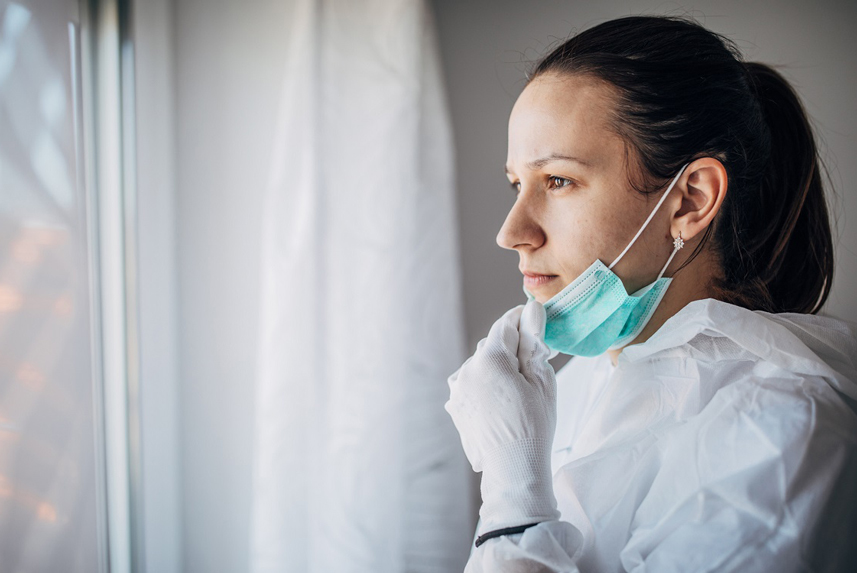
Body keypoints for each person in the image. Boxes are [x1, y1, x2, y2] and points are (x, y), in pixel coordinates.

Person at [444, 15, 857, 573]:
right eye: (519, 184)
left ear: (690, 200)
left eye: (558, 181)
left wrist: (513, 496)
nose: (511, 231)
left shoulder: (783, 433)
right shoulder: (582, 385)